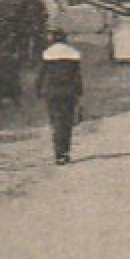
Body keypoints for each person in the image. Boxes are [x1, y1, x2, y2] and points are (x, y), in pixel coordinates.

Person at [36, 27, 83, 165]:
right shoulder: (74, 54)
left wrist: (38, 89)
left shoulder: (47, 54)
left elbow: (41, 75)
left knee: (55, 122)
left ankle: (58, 153)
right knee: (66, 122)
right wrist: (79, 93)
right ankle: (65, 152)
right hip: (68, 92)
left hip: (52, 92)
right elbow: (77, 77)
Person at [0, 32, 22, 107]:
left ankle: (14, 99)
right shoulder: (1, 45)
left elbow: (16, 55)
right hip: (3, 63)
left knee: (10, 82)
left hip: (7, 64)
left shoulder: (10, 45)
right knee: (1, 81)